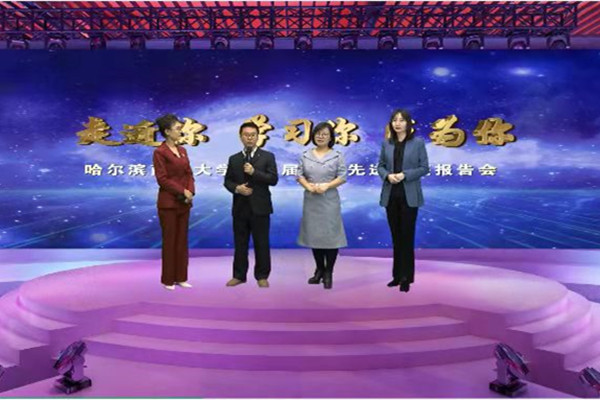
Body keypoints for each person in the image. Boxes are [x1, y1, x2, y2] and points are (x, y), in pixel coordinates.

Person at [377, 109, 429, 293]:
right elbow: (380, 166)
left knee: (407, 237)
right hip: (391, 195)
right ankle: (396, 276)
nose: (398, 123)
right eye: (394, 120)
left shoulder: (418, 143)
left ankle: (407, 277)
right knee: (396, 237)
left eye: (401, 120)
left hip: (409, 196)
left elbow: (424, 168)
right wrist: (387, 175)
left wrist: (404, 175)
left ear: (408, 123)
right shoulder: (386, 143)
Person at [224, 121, 278, 288]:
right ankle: (239, 276)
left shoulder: (267, 156)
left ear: (257, 137)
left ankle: (262, 276)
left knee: (261, 243)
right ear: (241, 137)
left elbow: (273, 179)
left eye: (253, 135)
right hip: (240, 208)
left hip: (260, 207)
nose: (249, 138)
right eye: (246, 135)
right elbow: (227, 181)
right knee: (240, 244)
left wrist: (254, 172)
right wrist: (237, 188)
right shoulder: (234, 159)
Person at [297, 122, 347, 289]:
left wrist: (327, 185)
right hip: (312, 200)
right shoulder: (305, 155)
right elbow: (299, 175)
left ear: (331, 137)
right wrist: (308, 186)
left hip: (329, 200)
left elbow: (343, 176)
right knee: (315, 236)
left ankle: (328, 272)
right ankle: (319, 269)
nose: (321, 136)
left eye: (325, 134)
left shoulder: (337, 155)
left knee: (331, 237)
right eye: (318, 133)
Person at [152, 114, 195, 290]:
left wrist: (190, 191)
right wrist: (182, 191)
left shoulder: (183, 150)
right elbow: (162, 179)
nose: (180, 132)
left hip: (184, 203)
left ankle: (181, 277)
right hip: (168, 204)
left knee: (182, 242)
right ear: (167, 132)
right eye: (177, 129)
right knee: (170, 242)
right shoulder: (160, 152)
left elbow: (189, 174)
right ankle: (168, 280)